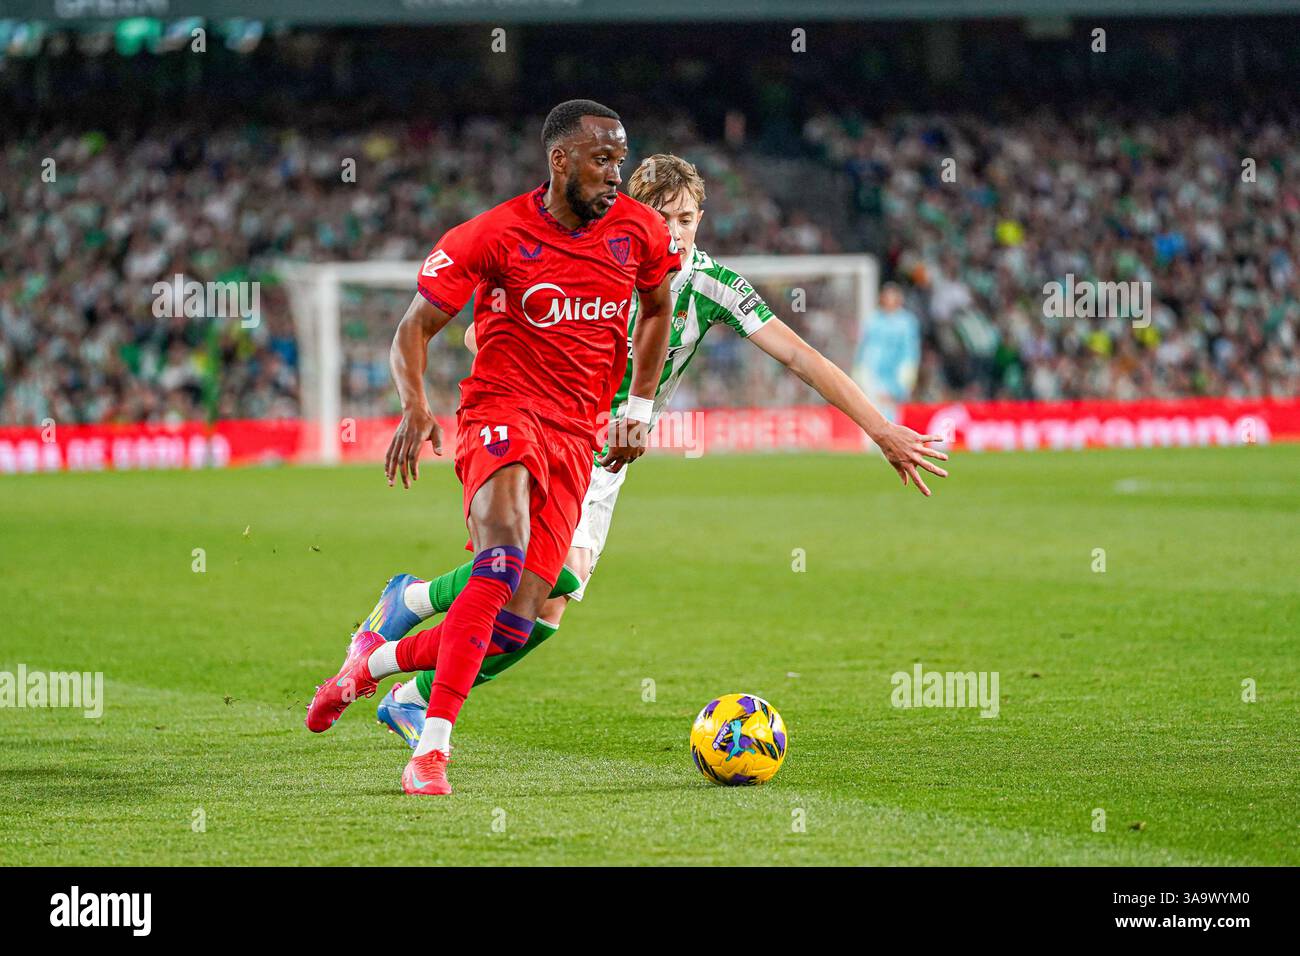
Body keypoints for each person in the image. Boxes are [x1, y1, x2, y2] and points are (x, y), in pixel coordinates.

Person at [364, 154, 950, 748]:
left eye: (688, 219)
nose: (676, 231)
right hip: (555, 433)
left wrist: (881, 431)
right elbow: (477, 331)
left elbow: (802, 358)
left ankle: (410, 679)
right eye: (663, 217)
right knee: (550, 575)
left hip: (613, 456)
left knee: (546, 611)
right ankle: (411, 624)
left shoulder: (715, 286)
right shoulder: (596, 257)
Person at [303, 100, 680, 796]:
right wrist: (415, 407)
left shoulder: (641, 232)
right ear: (560, 159)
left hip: (577, 435)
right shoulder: (494, 235)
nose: (616, 176)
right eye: (603, 160)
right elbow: (413, 330)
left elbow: (656, 310)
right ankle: (432, 750)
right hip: (500, 414)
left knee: (514, 626)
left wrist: (639, 406)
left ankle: (369, 667)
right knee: (499, 554)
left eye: (621, 160)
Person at [853, 282, 921, 423]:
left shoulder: (907, 322)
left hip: (896, 373)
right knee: (872, 407)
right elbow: (863, 346)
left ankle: (893, 436)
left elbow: (911, 349)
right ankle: (871, 441)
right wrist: (858, 366)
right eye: (886, 296)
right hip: (873, 371)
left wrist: (908, 372)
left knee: (892, 408)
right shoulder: (872, 320)